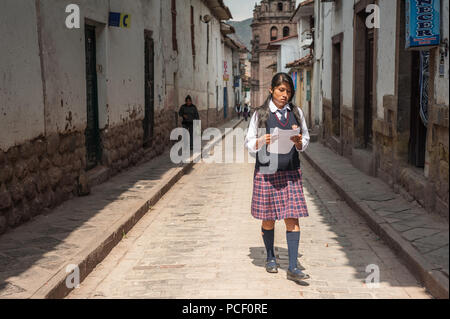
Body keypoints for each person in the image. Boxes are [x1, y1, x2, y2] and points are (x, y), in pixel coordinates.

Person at [245, 72, 311, 284]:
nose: (285, 95)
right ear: (271, 90)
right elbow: (248, 143)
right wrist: (260, 141)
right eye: (281, 90)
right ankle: (271, 256)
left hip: (291, 172)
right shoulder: (260, 114)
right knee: (269, 218)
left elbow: (306, 139)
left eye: (288, 92)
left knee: (293, 218)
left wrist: (300, 142)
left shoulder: (297, 113)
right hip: (267, 173)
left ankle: (292, 266)